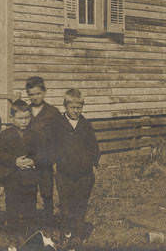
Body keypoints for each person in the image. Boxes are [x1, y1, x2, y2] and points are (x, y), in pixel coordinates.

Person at [53, 89, 100, 247]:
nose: (76, 111)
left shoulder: (85, 125)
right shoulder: (58, 124)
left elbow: (94, 147)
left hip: (84, 174)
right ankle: (66, 233)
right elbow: (52, 146)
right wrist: (55, 163)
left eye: (79, 108)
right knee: (66, 205)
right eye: (73, 108)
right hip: (64, 173)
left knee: (80, 204)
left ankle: (77, 235)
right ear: (65, 106)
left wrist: (94, 164)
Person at [0, 99, 45, 244]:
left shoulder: (35, 134)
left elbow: (42, 152)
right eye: (20, 118)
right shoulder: (5, 135)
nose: (24, 121)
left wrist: (33, 161)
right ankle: (13, 235)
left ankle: (29, 234)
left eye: (27, 118)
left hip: (30, 177)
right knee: (12, 206)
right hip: (12, 178)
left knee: (30, 206)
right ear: (12, 118)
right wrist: (14, 161)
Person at [25, 76, 61, 227]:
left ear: (44, 92)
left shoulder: (52, 112)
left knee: (46, 192)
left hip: (45, 160)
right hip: (28, 160)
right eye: (31, 94)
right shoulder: (25, 111)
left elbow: (58, 138)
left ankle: (49, 224)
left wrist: (53, 158)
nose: (35, 97)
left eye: (38, 93)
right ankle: (31, 224)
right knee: (29, 192)